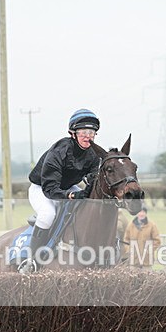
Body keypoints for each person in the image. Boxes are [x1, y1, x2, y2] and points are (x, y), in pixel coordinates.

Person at [20, 109, 101, 273]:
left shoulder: (93, 154)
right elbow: (51, 189)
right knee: (48, 214)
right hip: (42, 188)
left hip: (67, 186)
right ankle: (32, 261)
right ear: (73, 133)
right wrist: (71, 195)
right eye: (84, 132)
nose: (88, 136)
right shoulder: (59, 151)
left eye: (91, 132)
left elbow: (93, 178)